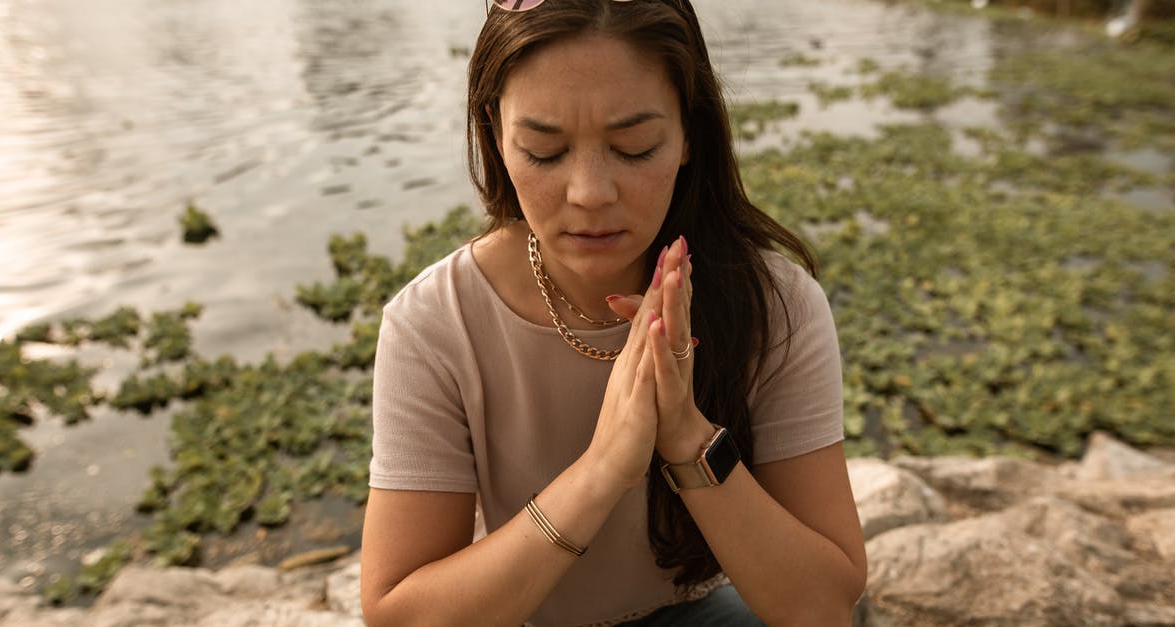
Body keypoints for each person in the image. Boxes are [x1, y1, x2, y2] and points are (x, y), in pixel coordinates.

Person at [360, 0, 866, 624]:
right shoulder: (436, 324)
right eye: (544, 151)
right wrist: (600, 473)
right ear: (494, 133)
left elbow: (824, 606)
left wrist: (686, 438)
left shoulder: (773, 304)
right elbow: (399, 616)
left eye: (634, 147)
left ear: (688, 134)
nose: (590, 193)